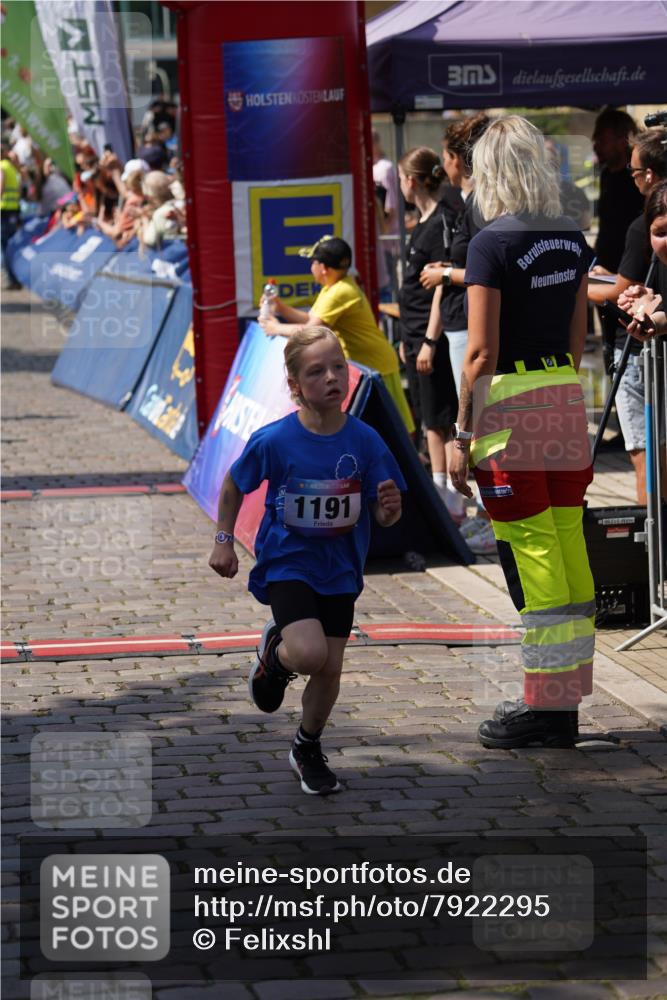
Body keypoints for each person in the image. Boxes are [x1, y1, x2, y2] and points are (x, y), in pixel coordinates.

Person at [449, 115, 594, 750]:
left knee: (533, 555)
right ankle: (566, 701)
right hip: (564, 395)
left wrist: (460, 431)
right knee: (567, 548)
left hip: (508, 407)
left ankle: (548, 705)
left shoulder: (490, 243)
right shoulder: (570, 235)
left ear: (490, 173)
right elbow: (577, 335)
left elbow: (479, 352)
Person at [209, 326, 405, 794]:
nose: (332, 377)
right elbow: (234, 485)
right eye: (317, 372)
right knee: (310, 654)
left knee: (330, 668)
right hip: (288, 562)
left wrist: (388, 510)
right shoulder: (275, 440)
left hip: (340, 568)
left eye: (338, 366)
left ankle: (307, 745)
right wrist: (223, 540)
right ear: (295, 386)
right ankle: (275, 658)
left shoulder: (366, 440)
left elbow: (384, 511)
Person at [420, 113, 496, 554]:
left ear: (455, 159)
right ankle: (484, 510)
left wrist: (448, 273)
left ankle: (490, 514)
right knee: (470, 419)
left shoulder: (480, 202)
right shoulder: (468, 200)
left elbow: (488, 270)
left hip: (473, 323)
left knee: (478, 421)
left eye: (447, 157)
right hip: (460, 321)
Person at [259, 235, 414, 434]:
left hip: (378, 367)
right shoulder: (335, 287)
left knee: (397, 430)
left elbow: (310, 331)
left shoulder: (340, 292)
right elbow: (310, 319)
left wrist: (275, 328)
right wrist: (279, 307)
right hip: (364, 366)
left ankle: (413, 464)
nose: (310, 267)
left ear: (323, 268)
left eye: (313, 262)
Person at [588, 128, 667, 502]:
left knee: (648, 461)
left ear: (649, 174)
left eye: (634, 173)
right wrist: (649, 296)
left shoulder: (645, 225)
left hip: (639, 354)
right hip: (643, 345)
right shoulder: (644, 227)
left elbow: (622, 290)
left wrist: (578, 289)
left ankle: (650, 551)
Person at [396, 146, 459, 519]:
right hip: (414, 336)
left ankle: (453, 504)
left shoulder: (441, 223)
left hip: (430, 338)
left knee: (443, 422)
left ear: (412, 181)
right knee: (430, 422)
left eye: (402, 180)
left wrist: (429, 342)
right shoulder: (421, 222)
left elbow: (442, 288)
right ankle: (441, 499)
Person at [592, 107, 644, 274]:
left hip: (631, 269)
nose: (596, 146)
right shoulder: (606, 174)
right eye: (595, 140)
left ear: (623, 142)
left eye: (602, 140)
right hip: (604, 266)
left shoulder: (638, 178)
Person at [0, 140, 22, 289]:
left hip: (4, 209)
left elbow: (0, 187)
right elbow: (20, 189)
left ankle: (11, 278)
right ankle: (15, 278)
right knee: (11, 245)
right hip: (14, 209)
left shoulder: (1, 167)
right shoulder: (12, 168)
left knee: (4, 245)